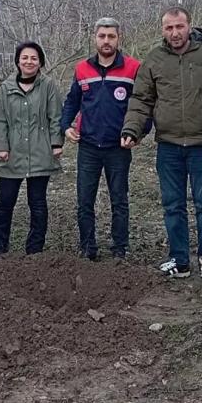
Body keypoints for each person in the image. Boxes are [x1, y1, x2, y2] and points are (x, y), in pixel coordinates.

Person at [121, 6, 202, 278]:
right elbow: (141, 99)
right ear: (163, 30)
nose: (175, 33)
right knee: (173, 205)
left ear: (189, 26)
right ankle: (179, 260)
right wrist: (132, 129)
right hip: (168, 146)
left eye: (179, 26)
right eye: (169, 28)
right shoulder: (154, 59)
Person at [60, 17, 143, 260]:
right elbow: (72, 102)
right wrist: (65, 126)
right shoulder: (82, 69)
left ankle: (120, 249)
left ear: (119, 38)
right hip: (88, 146)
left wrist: (138, 132)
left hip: (118, 146)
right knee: (85, 201)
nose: (106, 41)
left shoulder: (133, 68)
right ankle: (88, 248)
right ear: (94, 38)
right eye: (102, 36)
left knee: (119, 200)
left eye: (111, 36)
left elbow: (143, 104)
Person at [0, 41, 63, 254]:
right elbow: (0, 120)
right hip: (13, 153)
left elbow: (55, 116)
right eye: (25, 58)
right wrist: (1, 146)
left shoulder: (48, 85)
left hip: (41, 152)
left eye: (34, 58)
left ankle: (34, 251)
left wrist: (56, 143)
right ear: (18, 61)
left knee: (37, 203)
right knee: (5, 202)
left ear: (40, 62)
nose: (29, 62)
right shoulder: (6, 88)